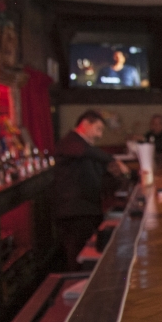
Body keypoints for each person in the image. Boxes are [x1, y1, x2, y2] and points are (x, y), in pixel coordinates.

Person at [52, 110, 129, 270]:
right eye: (98, 129)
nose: (100, 135)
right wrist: (114, 160)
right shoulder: (70, 142)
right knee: (77, 256)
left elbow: (98, 171)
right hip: (74, 211)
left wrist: (116, 173)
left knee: (85, 253)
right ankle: (75, 288)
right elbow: (87, 153)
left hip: (86, 209)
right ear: (85, 124)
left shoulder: (86, 148)